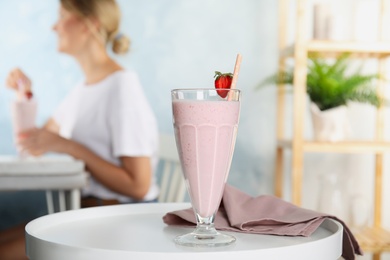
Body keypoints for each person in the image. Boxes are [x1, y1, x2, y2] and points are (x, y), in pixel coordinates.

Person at [0, 0, 159, 259]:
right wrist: (24, 93)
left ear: (90, 23)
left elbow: (139, 186)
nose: (54, 26)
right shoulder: (82, 90)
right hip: (84, 214)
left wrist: (67, 146)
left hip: (121, 221)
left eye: (62, 16)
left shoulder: (122, 87)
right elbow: (33, 143)